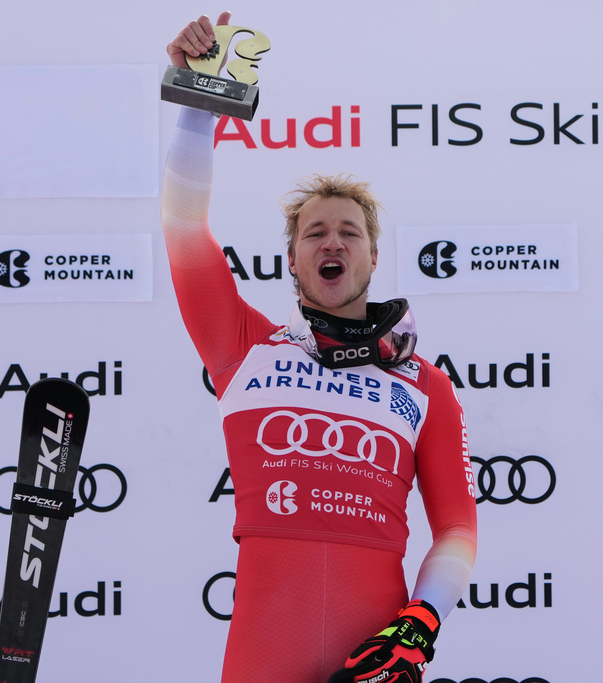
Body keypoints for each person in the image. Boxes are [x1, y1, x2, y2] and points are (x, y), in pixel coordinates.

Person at [162, 13, 477, 683]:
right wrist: (196, 102)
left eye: (349, 232)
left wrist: (421, 622)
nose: (333, 241)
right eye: (314, 233)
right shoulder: (244, 345)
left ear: (372, 257)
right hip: (263, 653)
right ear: (293, 260)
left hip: (376, 659)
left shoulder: (426, 385)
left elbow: (456, 529)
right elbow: (184, 226)